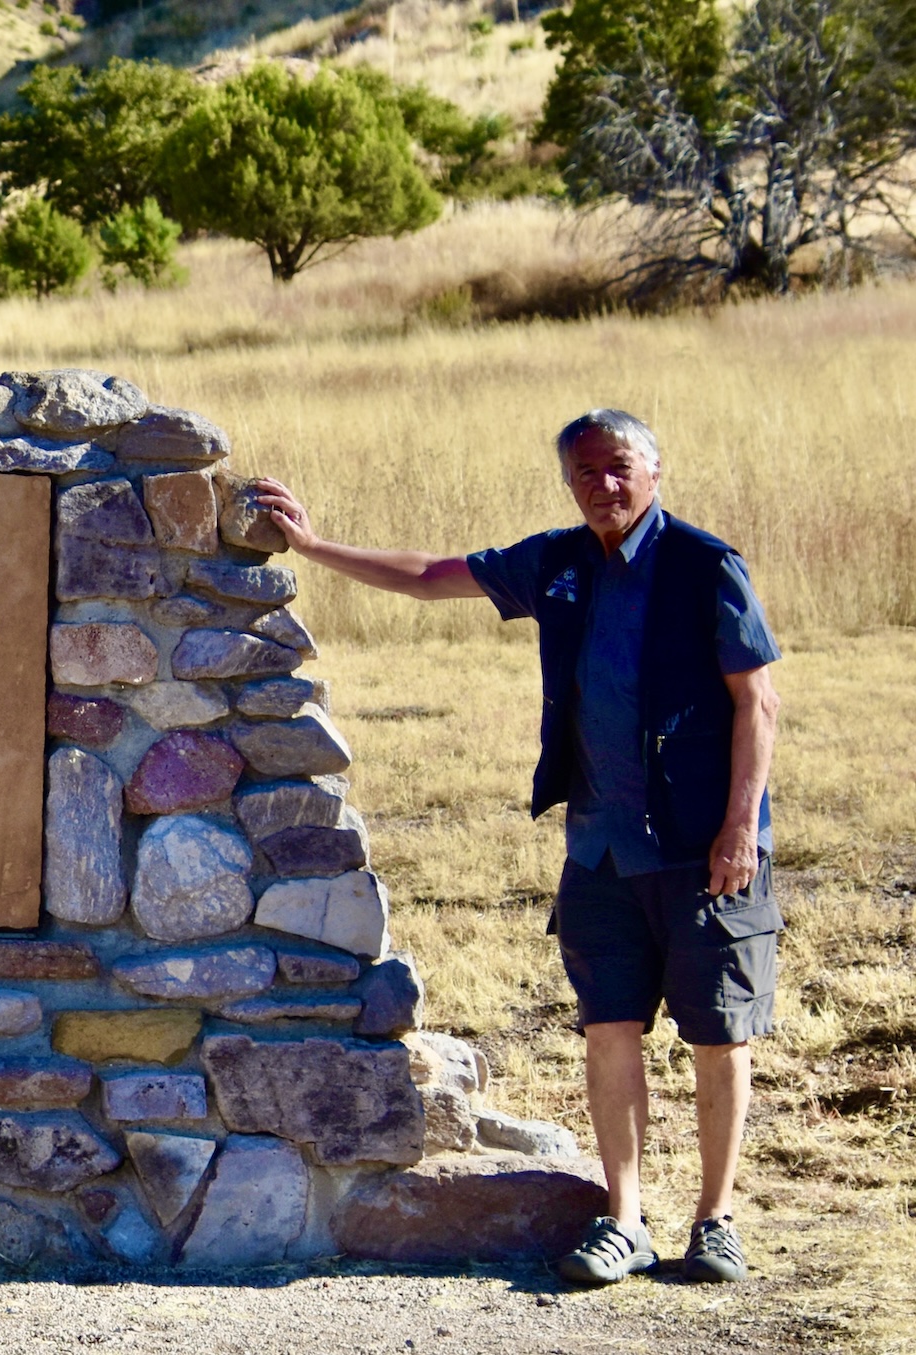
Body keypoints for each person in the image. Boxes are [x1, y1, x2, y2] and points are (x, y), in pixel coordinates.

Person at [253, 409, 782, 1287]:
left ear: (653, 471)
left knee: (719, 1036)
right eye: (584, 474)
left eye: (617, 469)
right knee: (609, 1031)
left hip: (701, 848)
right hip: (602, 853)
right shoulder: (560, 561)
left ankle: (716, 1220)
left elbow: (757, 704)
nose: (602, 487)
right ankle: (625, 1218)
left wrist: (739, 826)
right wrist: (312, 547)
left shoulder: (704, 566)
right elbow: (431, 577)